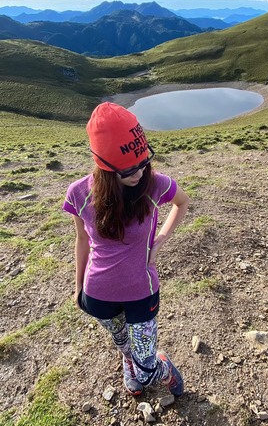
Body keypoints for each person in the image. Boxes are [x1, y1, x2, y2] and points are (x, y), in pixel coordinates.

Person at [63, 102, 189, 397]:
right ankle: (127, 360)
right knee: (123, 344)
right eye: (130, 168)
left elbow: (182, 203)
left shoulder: (155, 183)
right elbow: (82, 241)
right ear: (105, 166)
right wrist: (78, 286)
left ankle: (160, 368)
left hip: (141, 292)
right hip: (98, 296)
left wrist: (160, 241)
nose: (141, 171)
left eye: (145, 160)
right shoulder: (78, 193)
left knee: (147, 370)